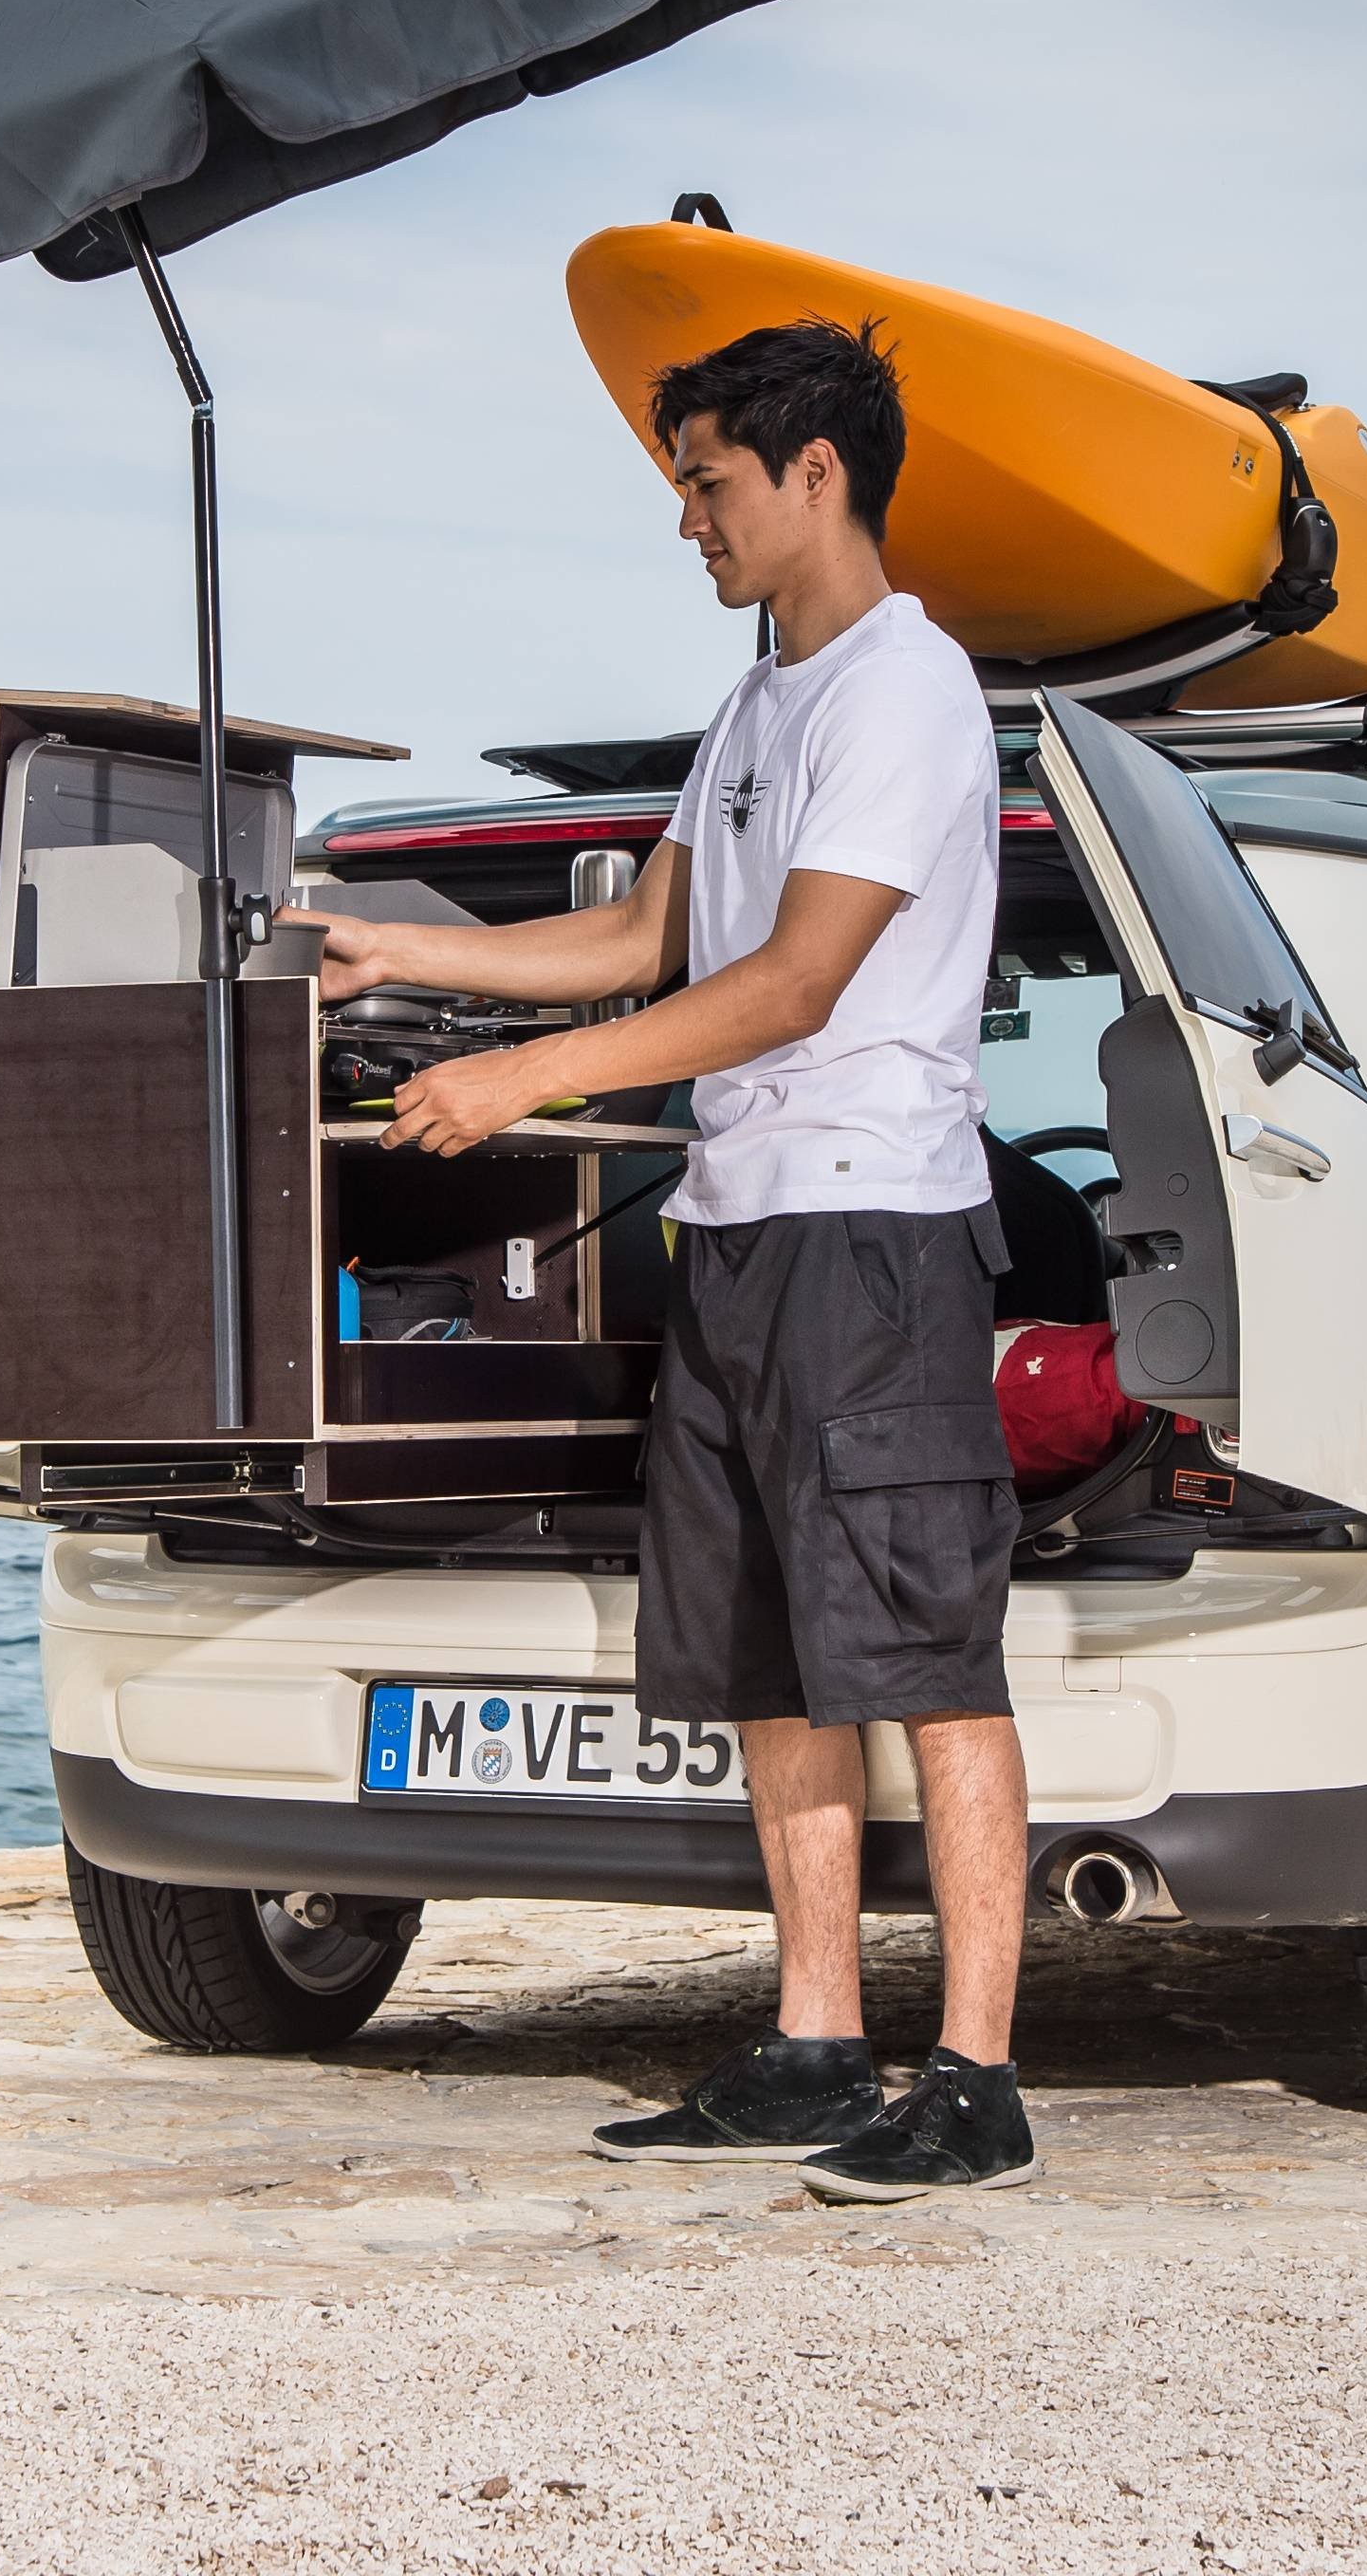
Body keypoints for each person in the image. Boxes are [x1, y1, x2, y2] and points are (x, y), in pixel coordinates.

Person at [283, 316, 1035, 2202]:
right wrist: (401, 953)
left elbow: (794, 981)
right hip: (739, 1230)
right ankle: (815, 2040)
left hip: (873, 1229)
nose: (685, 518)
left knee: (926, 1653)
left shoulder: (905, 690)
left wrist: (518, 1082)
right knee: (767, 1651)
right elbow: (645, 939)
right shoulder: (759, 701)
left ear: (814, 474)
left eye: (706, 482)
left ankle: (977, 2076)